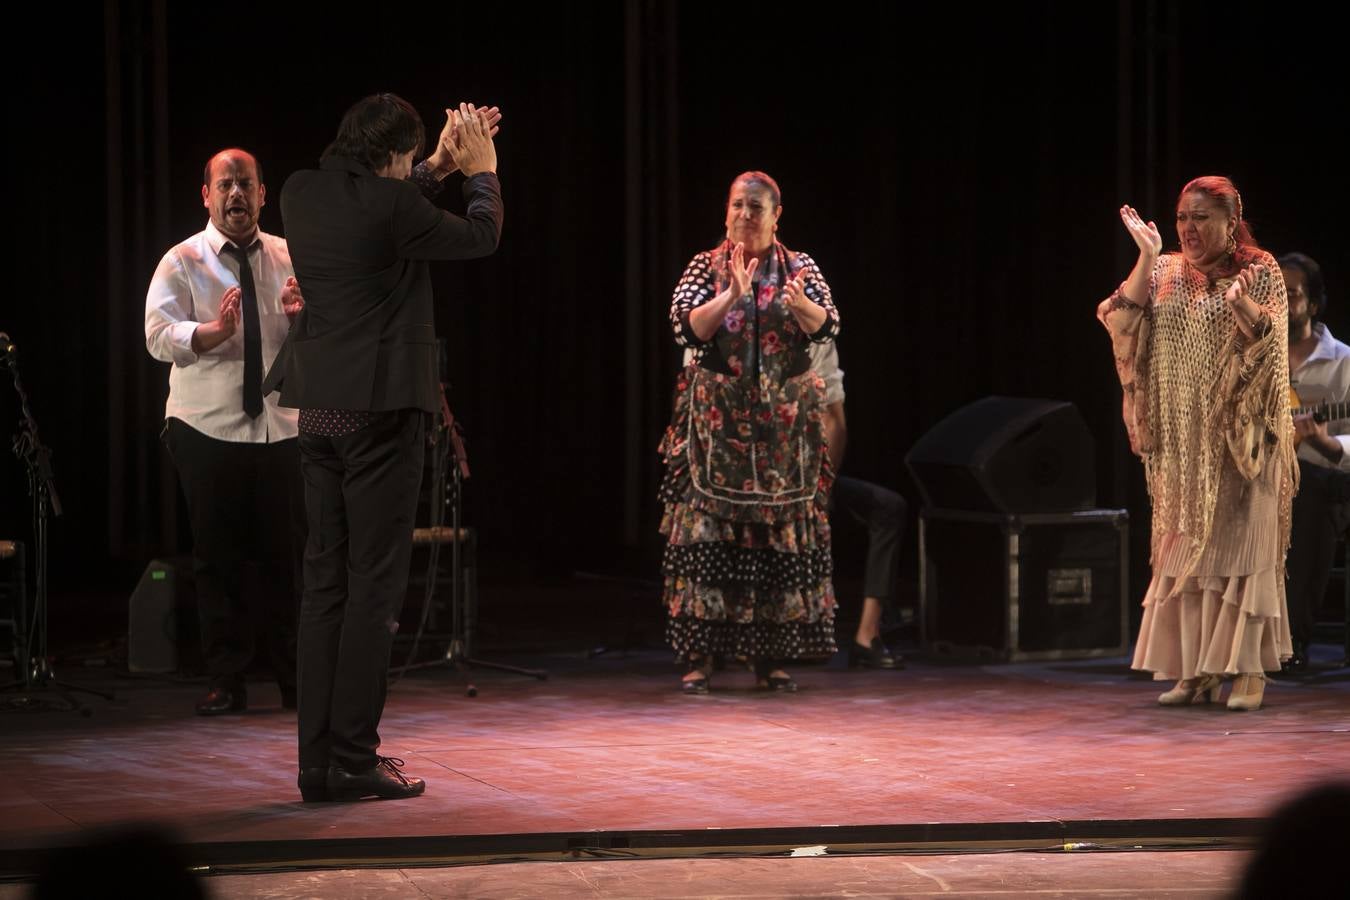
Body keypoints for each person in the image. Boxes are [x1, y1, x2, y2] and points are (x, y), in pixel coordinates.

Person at [263, 94, 502, 801]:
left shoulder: (301, 193)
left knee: (325, 588)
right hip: (380, 414)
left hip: (320, 416)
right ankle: (355, 759)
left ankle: (317, 763)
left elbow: (385, 205)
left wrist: (433, 164)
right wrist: (482, 172)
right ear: (393, 156)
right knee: (373, 590)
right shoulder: (395, 209)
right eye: (409, 160)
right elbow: (481, 236)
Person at [1099, 175, 1296, 711]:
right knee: (1189, 555)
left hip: (1240, 440)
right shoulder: (1164, 272)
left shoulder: (1261, 270)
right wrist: (1146, 254)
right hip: (1183, 443)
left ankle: (1250, 672)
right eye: (1183, 217)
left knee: (1244, 553)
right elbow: (1120, 318)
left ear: (1231, 221)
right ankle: (1200, 671)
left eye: (1201, 218)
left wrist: (1245, 310)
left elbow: (1275, 346)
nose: (1188, 228)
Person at [659, 170, 839, 695]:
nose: (745, 215)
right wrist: (731, 294)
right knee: (708, 537)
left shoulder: (801, 268)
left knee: (774, 544)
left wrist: (798, 302)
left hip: (783, 436)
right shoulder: (705, 266)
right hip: (716, 432)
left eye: (756, 207)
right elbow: (685, 326)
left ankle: (770, 659)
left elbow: (827, 325)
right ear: (726, 210)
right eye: (738, 204)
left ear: (776, 215)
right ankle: (701, 657)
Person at [145, 148, 305, 716]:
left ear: (263, 194)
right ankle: (227, 679)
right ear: (206, 195)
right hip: (206, 427)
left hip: (281, 428)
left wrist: (299, 319)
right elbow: (157, 335)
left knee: (288, 559)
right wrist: (211, 332)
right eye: (226, 185)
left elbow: (325, 337)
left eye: (247, 184)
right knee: (218, 559)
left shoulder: (290, 257)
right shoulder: (183, 261)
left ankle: (294, 678)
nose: (236, 194)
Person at [809, 340, 906, 668]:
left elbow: (836, 422)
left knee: (888, 507)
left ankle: (867, 635)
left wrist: (823, 486)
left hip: (813, 476)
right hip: (762, 479)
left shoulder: (819, 336)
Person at [1282, 252, 1350, 674]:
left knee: (1307, 494)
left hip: (1327, 480)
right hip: (1265, 481)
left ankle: (1291, 641)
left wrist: (1325, 443)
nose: (1283, 302)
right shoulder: (1256, 359)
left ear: (1313, 302)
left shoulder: (1342, 361)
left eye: (1291, 294)